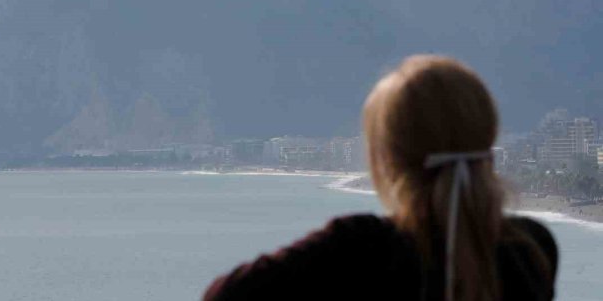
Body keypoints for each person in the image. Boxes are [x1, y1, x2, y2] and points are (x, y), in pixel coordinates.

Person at [203, 55, 557, 301]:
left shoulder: (359, 246)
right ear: (488, 142)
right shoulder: (533, 249)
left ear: (387, 160)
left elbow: (226, 295)